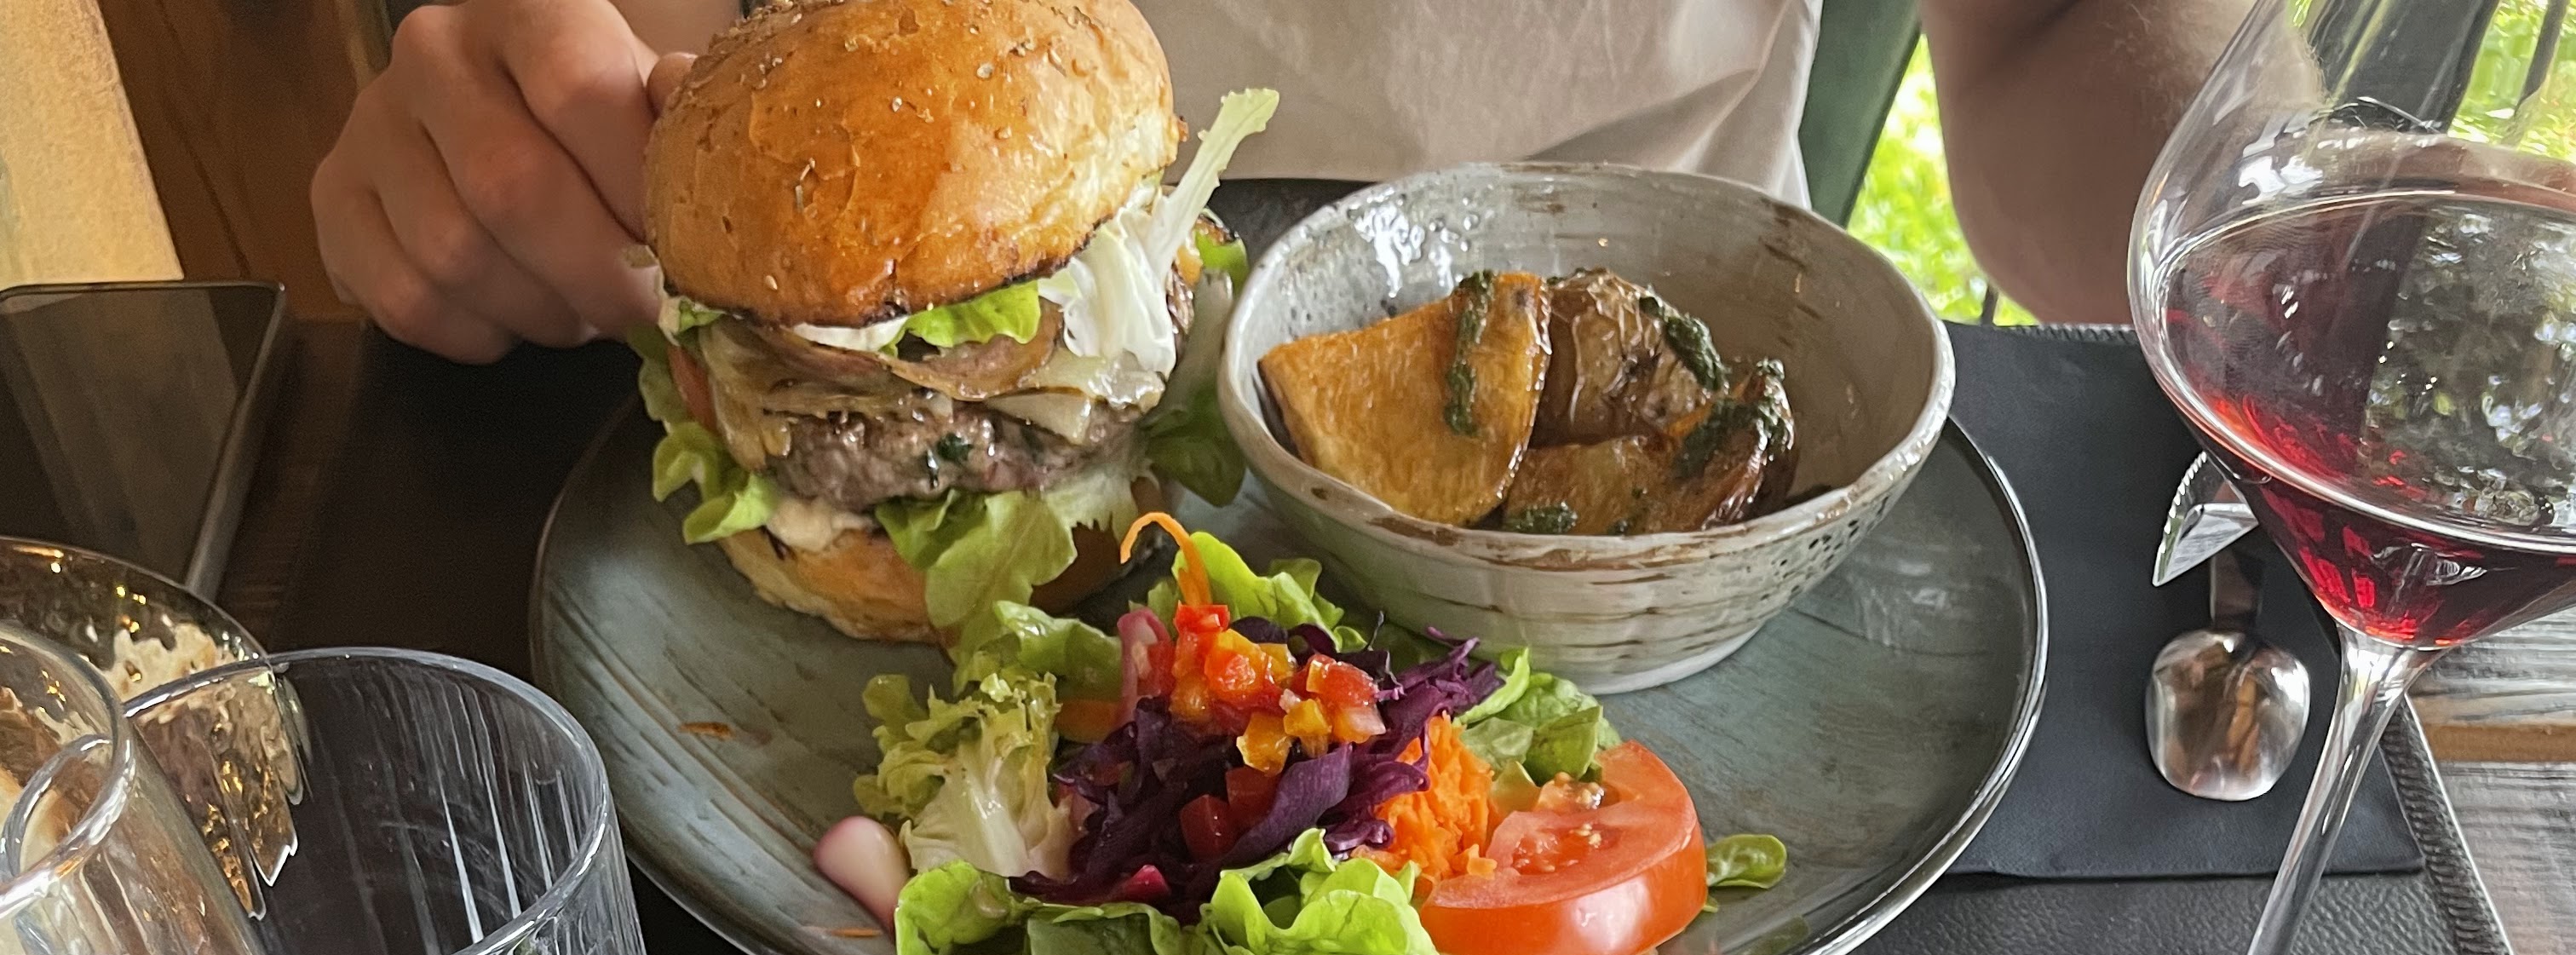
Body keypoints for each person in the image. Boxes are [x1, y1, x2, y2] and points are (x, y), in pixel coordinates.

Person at [311, 0, 2240, 360]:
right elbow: (669, 55)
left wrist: (2261, 226)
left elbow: (2065, 34)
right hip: (972, 324)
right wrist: (529, 126)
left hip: (1666, 394)